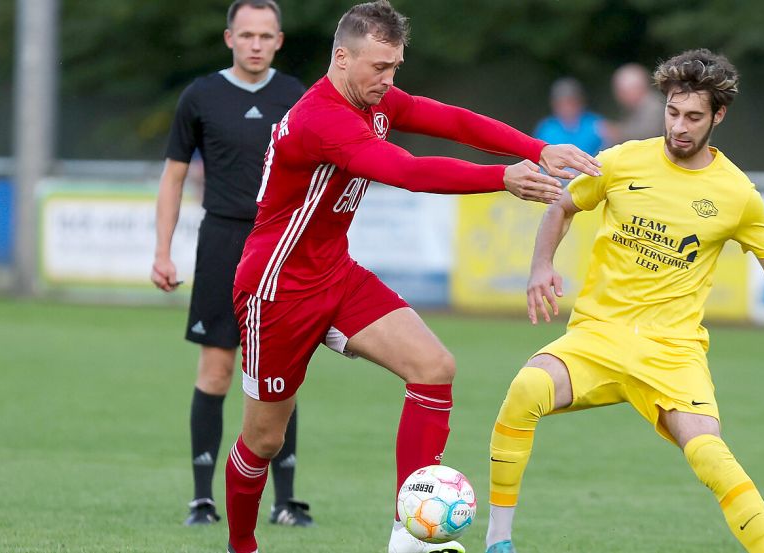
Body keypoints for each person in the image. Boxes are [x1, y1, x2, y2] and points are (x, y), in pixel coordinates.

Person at [482, 48, 764, 553]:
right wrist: (541, 266)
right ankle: (498, 542)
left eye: (694, 117)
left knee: (712, 456)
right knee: (525, 390)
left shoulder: (735, 193)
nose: (679, 126)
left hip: (672, 352)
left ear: (718, 116)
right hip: (597, 337)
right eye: (673, 112)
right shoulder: (621, 161)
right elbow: (563, 207)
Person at [222, 2, 601, 553]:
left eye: (395, 67)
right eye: (379, 67)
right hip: (276, 291)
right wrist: (502, 177)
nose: (388, 80)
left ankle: (410, 535)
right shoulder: (320, 118)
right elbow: (407, 171)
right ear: (342, 57)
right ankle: (241, 546)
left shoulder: (374, 98)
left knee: (433, 367)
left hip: (335, 275)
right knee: (264, 439)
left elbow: (450, 120)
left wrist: (537, 147)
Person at [151, 0, 312, 528]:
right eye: (247, 35)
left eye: (266, 35)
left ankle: (285, 502)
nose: (256, 44)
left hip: (281, 246)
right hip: (221, 243)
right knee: (217, 371)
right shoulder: (200, 96)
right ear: (229, 39)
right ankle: (203, 499)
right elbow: (174, 176)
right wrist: (162, 250)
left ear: (280, 40)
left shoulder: (298, 98)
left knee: (279, 375)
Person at [533, 77, 605, 157]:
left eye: (570, 102)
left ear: (580, 102)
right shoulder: (546, 128)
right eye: (561, 103)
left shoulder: (597, 124)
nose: (566, 108)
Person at [607, 62, 666, 143]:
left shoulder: (654, 106)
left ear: (637, 88)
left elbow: (648, 133)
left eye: (622, 92)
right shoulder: (638, 106)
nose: (619, 96)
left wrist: (618, 132)